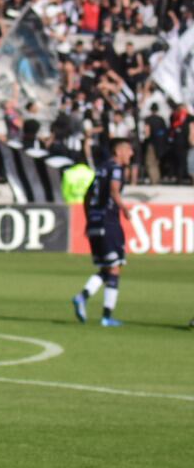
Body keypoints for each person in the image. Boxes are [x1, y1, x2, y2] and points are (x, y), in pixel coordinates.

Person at [73, 138, 134, 328]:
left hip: (95, 222)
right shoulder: (116, 168)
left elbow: (87, 195)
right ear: (119, 151)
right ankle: (102, 313)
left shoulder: (100, 169)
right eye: (129, 150)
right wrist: (124, 207)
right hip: (109, 222)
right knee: (115, 267)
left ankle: (88, 302)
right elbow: (114, 190)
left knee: (107, 268)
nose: (131, 154)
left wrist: (89, 219)